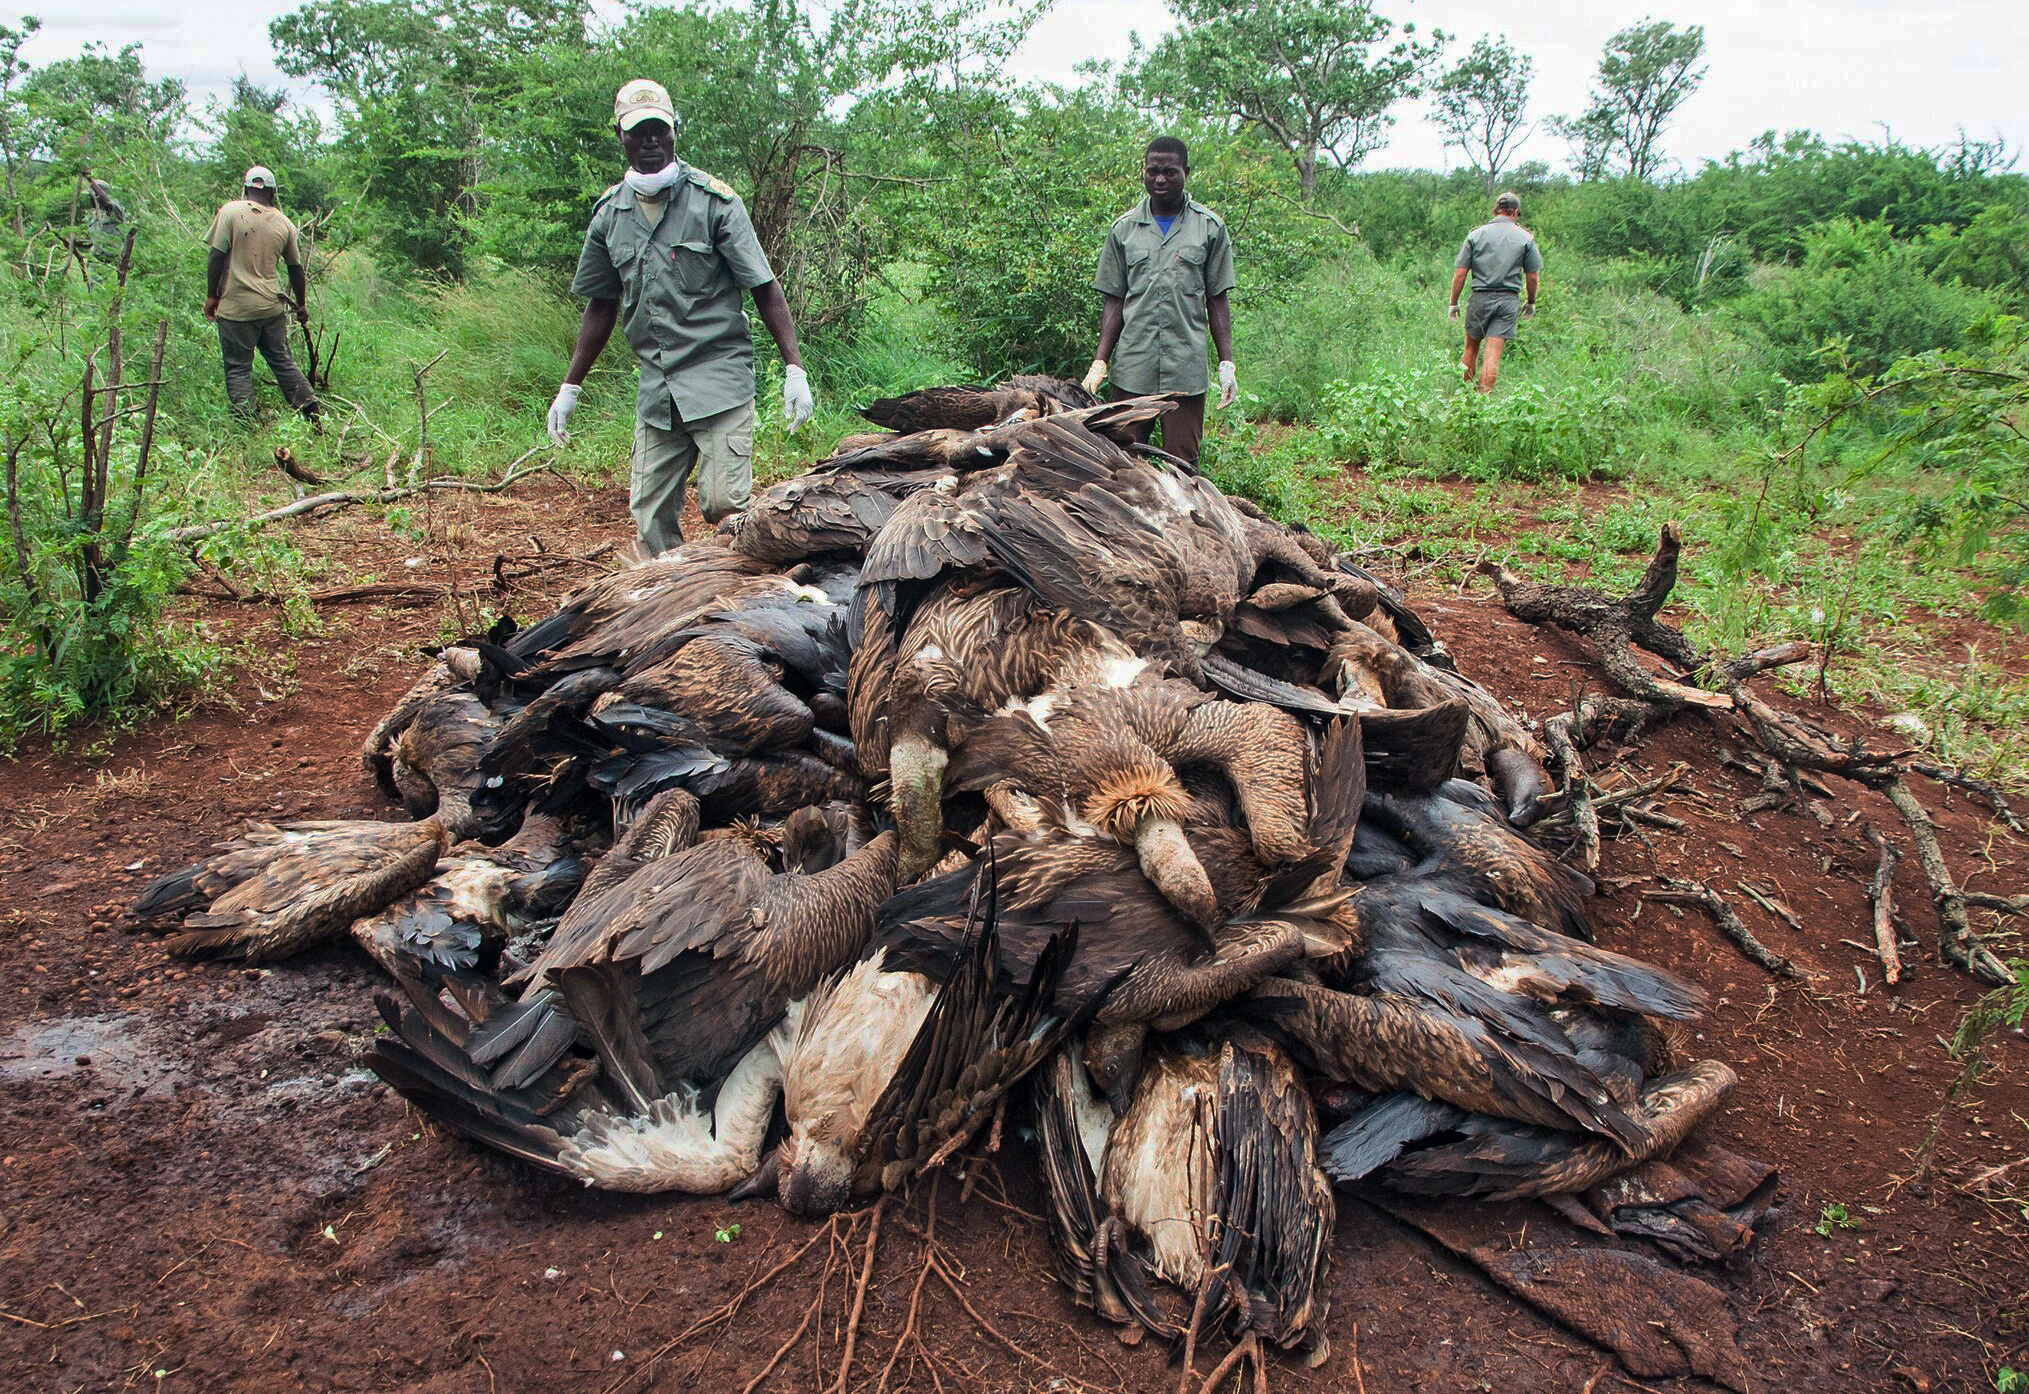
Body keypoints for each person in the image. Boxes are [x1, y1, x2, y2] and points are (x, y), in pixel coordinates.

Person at [548, 79, 814, 556]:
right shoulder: (610, 215)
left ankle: (743, 606)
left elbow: (764, 286)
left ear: (675, 131)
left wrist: (794, 367)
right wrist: (571, 387)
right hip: (658, 388)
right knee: (650, 519)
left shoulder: (714, 203)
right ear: (621, 137)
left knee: (724, 507)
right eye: (637, 133)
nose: (650, 143)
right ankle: (666, 608)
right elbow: (600, 305)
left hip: (719, 378)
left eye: (658, 131)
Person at [1082, 136, 1237, 466]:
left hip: (1186, 371)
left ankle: (1182, 520)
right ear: (1144, 173)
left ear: (1186, 172)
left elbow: (1217, 299)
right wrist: (1100, 361)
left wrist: (1227, 364)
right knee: (1122, 463)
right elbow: (1114, 300)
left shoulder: (1209, 228)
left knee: (1182, 466)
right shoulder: (1123, 230)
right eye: (1152, 171)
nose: (1160, 179)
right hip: (1132, 369)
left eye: (1169, 171)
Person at [203, 165, 320, 422]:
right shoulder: (285, 224)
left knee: (238, 368)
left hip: (236, 309)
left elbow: (216, 256)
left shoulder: (230, 212)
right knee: (281, 360)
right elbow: (296, 269)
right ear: (273, 193)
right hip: (271, 307)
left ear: (245, 189)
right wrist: (301, 304)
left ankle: (247, 421)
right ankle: (311, 409)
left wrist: (212, 296)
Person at [1448, 191, 1542, 393]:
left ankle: (1464, 399)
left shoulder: (1475, 235)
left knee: (1470, 349)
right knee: (1492, 355)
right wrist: (1531, 302)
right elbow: (1532, 276)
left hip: (1479, 298)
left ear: (1495, 210)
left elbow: (1461, 273)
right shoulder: (1525, 238)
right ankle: (1484, 400)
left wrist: (1453, 303)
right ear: (1515, 212)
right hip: (1508, 301)